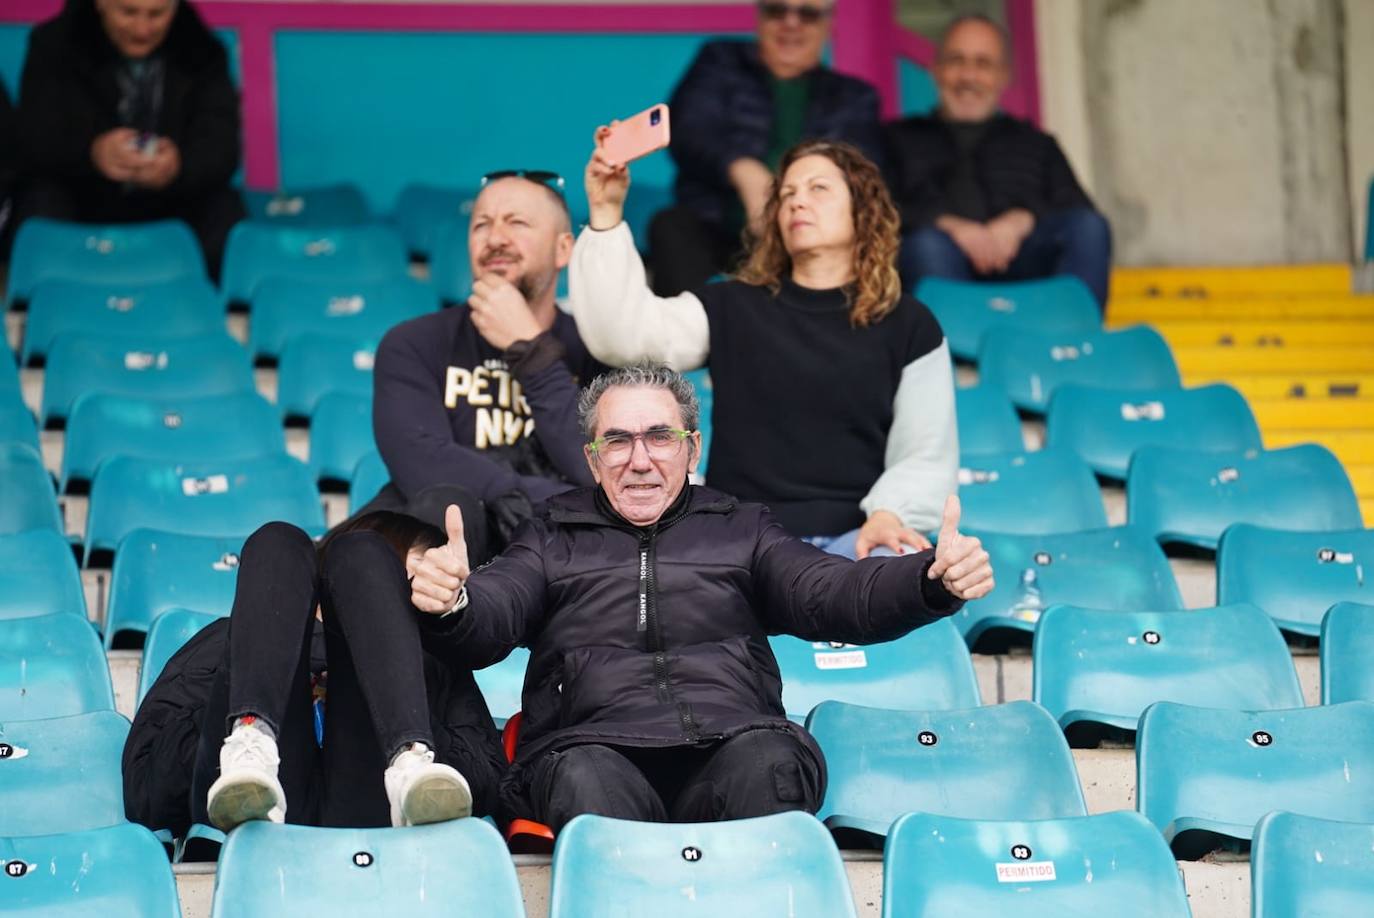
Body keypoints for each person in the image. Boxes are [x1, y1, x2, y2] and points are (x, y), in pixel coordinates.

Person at [408, 364, 994, 831]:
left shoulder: (742, 528)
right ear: (592, 459)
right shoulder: (550, 535)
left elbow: (833, 591)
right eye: (617, 441)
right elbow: (496, 607)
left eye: (659, 437)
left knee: (771, 763)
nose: (639, 460)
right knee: (583, 776)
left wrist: (929, 580)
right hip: (591, 745)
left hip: (733, 739)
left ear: (691, 448)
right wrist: (454, 601)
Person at [574, 135, 958, 559]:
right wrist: (607, 212)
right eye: (788, 193)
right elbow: (624, 338)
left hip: (856, 542)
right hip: (740, 542)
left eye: (818, 188)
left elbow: (925, 452)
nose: (796, 202)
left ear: (863, 210)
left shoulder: (909, 324)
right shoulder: (731, 305)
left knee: (894, 566)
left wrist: (889, 516)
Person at [123, 511, 507, 835]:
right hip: (246, 814)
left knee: (363, 553)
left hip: (378, 810)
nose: (406, 603)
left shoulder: (434, 658)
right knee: (277, 542)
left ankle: (409, 757)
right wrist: (268, 674)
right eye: (397, 586)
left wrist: (401, 688)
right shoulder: (229, 638)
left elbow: (485, 783)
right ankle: (250, 740)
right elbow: (149, 790)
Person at [368, 172, 609, 564]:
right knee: (442, 506)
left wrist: (531, 351)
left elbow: (600, 467)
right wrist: (520, 492)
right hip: (451, 561)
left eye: (517, 222)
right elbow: (424, 466)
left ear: (563, 248)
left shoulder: (598, 350)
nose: (495, 238)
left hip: (566, 563)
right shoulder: (414, 344)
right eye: (481, 224)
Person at [648, 0, 884, 296]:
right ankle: (689, 337)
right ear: (759, 17)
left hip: (803, 239)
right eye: (777, 10)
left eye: (807, 14)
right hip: (715, 227)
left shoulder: (854, 97)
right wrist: (743, 170)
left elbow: (863, 178)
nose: (791, 23)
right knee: (671, 226)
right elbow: (687, 129)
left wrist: (792, 202)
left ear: (828, 24)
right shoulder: (720, 60)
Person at [885, 14, 1111, 308]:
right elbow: (875, 211)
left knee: (1088, 228)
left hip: (1028, 271)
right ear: (936, 69)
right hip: (940, 266)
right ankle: (946, 350)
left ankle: (1077, 342)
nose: (969, 77)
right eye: (957, 60)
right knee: (925, 245)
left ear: (1003, 76)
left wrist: (1021, 220)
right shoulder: (897, 139)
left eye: (983, 64)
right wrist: (951, 226)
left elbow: (1078, 208)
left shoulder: (1038, 144)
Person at [14, 0, 244, 279]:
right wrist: (92, 154)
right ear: (101, 4)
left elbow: (222, 145)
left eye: (156, 14)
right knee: (39, 209)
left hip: (171, 202)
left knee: (225, 211)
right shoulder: (54, 45)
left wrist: (178, 167)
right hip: (83, 199)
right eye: (128, 12)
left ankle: (203, 311)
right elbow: (34, 139)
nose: (142, 29)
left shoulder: (203, 51)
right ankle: (51, 308)